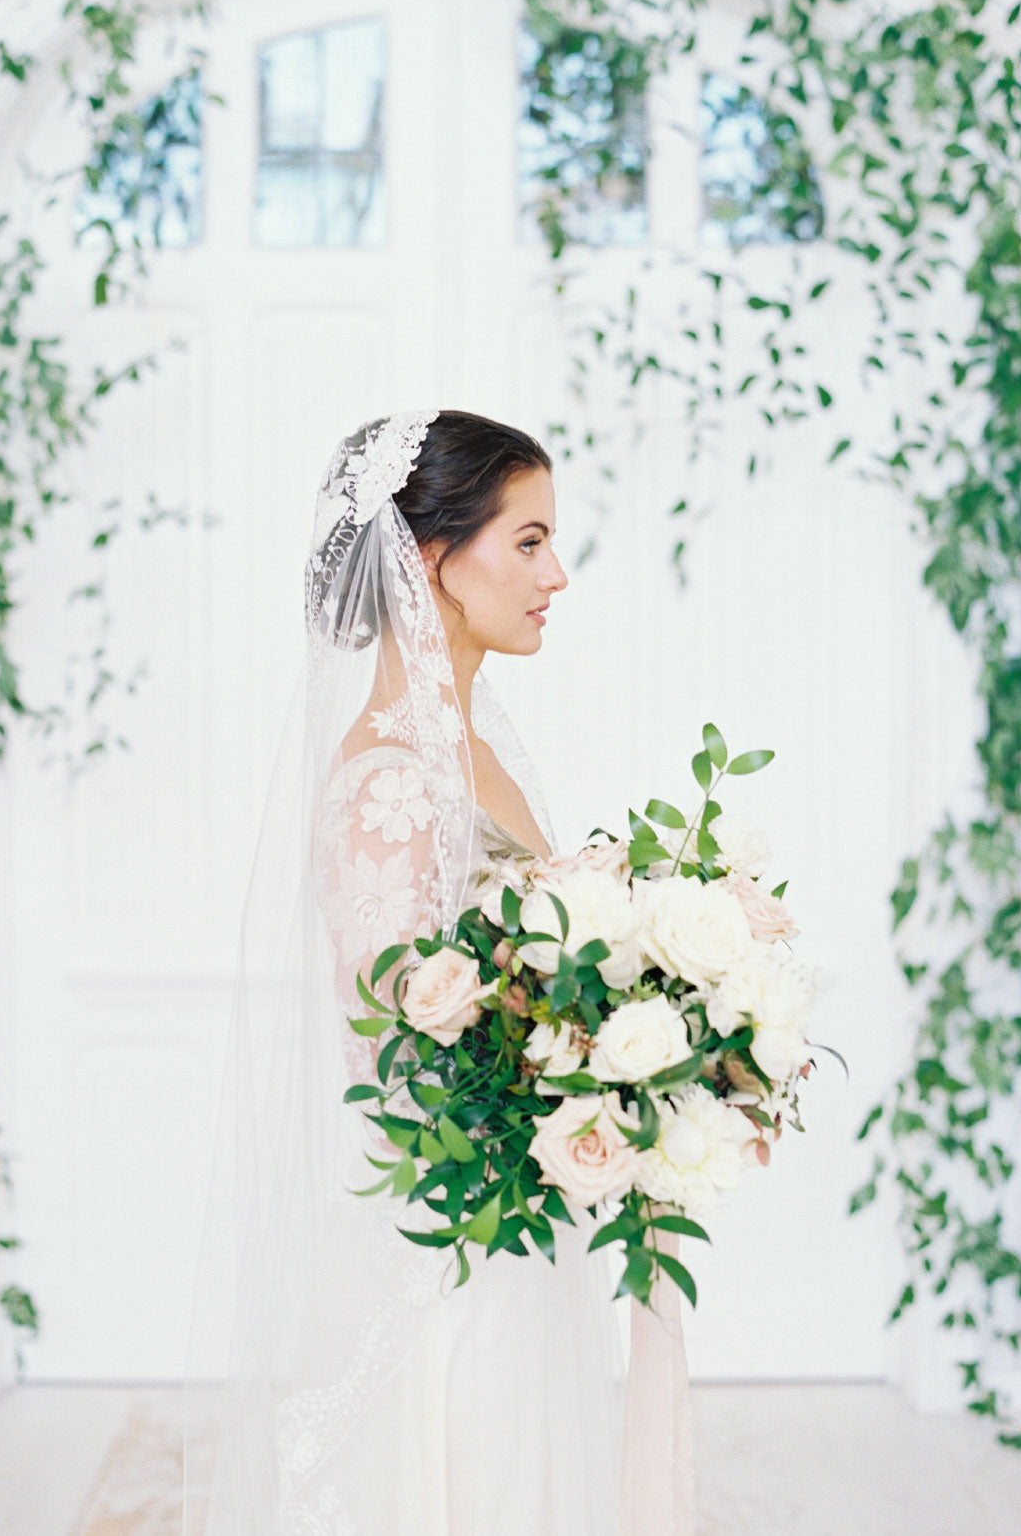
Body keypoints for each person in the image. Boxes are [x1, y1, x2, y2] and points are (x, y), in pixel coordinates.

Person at [181, 408, 695, 1535]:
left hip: (520, 1218)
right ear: (431, 560)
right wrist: (591, 1053)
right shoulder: (385, 780)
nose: (555, 573)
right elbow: (401, 1046)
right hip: (447, 1236)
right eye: (527, 541)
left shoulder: (483, 746)